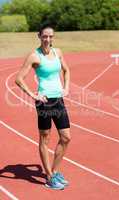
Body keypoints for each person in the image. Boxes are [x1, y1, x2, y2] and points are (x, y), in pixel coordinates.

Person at [15, 25, 71, 190]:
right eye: (44, 36)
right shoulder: (34, 56)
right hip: (44, 102)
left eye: (50, 36)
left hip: (58, 99)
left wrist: (66, 87)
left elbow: (66, 70)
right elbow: (19, 79)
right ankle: (49, 177)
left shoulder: (58, 52)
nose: (47, 39)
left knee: (66, 137)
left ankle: (53, 171)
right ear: (39, 36)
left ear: (53, 37)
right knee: (45, 138)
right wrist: (33, 95)